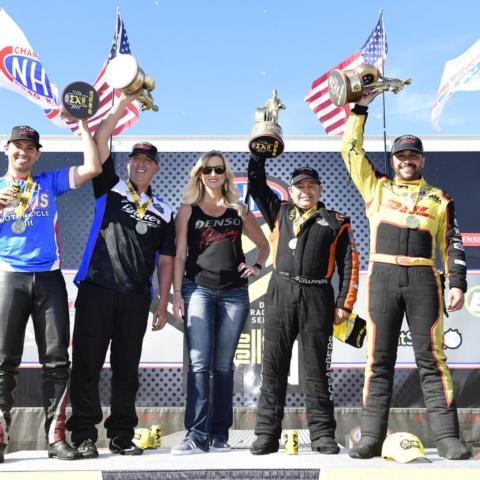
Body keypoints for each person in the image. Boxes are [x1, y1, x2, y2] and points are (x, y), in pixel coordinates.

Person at [340, 92, 471, 460]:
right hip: (382, 277)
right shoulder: (376, 186)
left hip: (424, 280)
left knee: (432, 359)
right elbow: (350, 150)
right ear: (394, 160)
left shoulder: (440, 198)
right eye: (401, 156)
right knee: (378, 359)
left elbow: (453, 244)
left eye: (413, 155)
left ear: (422, 160)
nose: (407, 160)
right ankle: (370, 436)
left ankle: (446, 437)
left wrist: (457, 283)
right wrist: (361, 109)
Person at [66, 94, 175, 458]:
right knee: (86, 365)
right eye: (137, 159)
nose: (141, 164)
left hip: (135, 297)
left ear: (156, 168)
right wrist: (122, 101)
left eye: (148, 161)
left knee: (127, 370)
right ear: (128, 164)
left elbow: (166, 259)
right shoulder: (109, 186)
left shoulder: (163, 209)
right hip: (97, 288)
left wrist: (162, 298)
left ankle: (121, 435)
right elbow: (100, 140)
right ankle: (82, 434)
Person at [0, 121, 101, 462]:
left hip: (49, 277)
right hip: (8, 278)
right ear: (6, 149)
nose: (23, 152)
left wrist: (84, 126)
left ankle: (56, 439)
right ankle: (0, 438)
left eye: (30, 148)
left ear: (37, 154)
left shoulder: (48, 182)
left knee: (57, 361)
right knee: (3, 362)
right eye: (17, 146)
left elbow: (92, 168)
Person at [247, 157, 359, 455]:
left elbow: (349, 265)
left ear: (320, 189)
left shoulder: (337, 220)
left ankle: (322, 435)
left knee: (316, 372)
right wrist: (257, 156)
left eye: (311, 186)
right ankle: (266, 435)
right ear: (292, 191)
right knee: (272, 368)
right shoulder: (279, 211)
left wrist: (344, 305)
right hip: (280, 292)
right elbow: (257, 184)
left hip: (317, 297)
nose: (305, 191)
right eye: (299, 186)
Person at [171, 151, 269, 454]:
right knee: (199, 364)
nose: (213, 174)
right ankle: (195, 434)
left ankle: (219, 434)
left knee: (223, 366)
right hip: (197, 289)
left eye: (219, 169)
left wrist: (256, 266)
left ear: (226, 174)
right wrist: (176, 294)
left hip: (234, 294)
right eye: (207, 169)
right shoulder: (188, 210)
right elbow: (179, 255)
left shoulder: (239, 209)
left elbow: (264, 246)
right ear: (199, 174)